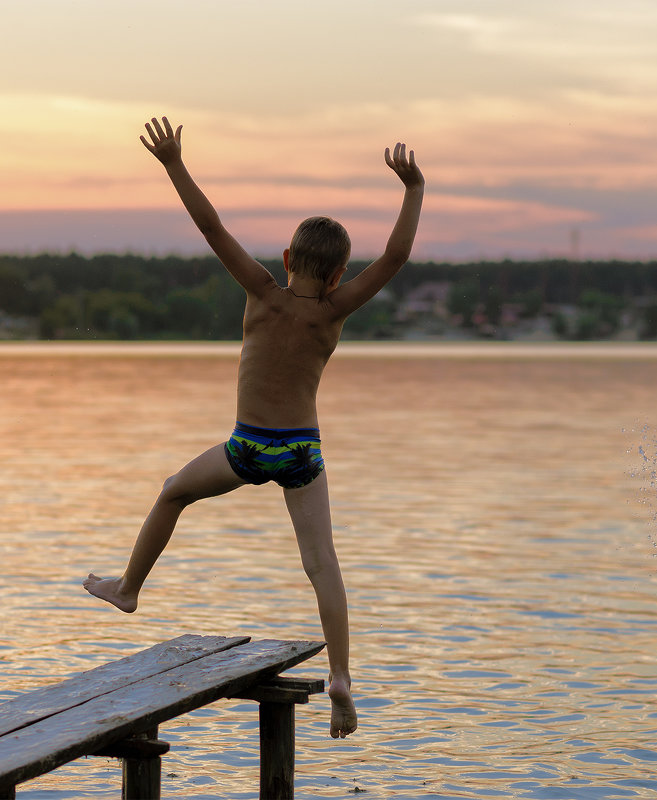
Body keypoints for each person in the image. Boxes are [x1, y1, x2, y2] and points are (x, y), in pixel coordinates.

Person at [84, 116, 424, 738]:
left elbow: (211, 226)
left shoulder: (261, 290)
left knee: (172, 491)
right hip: (301, 450)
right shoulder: (337, 307)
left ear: (288, 257)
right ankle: (342, 676)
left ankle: (129, 586)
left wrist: (173, 164)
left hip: (248, 446)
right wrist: (412, 190)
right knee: (323, 564)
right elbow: (398, 256)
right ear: (340, 270)